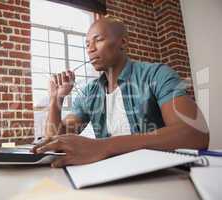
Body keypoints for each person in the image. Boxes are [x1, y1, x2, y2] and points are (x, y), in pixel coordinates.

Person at [32, 16, 209, 168]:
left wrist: (102, 147)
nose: (90, 49)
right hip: (112, 175)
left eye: (98, 39)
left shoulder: (156, 74)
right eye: (87, 44)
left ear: (122, 42)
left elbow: (195, 133)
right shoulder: (89, 93)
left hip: (158, 174)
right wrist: (56, 99)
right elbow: (55, 142)